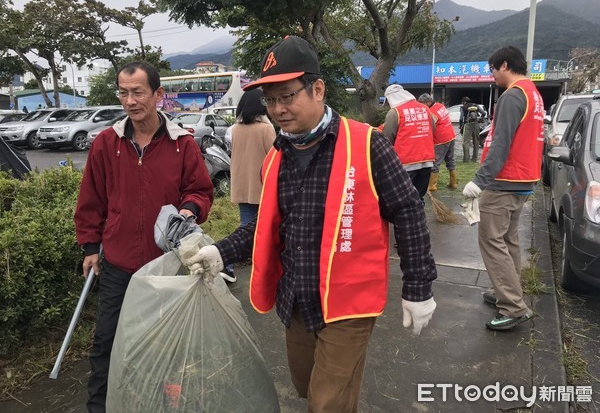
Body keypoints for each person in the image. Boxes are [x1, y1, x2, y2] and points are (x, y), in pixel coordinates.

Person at [180, 35, 437, 412]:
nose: (278, 109)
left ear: (317, 89)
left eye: (287, 96)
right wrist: (221, 250)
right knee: (305, 386)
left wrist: (418, 286)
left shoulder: (367, 144)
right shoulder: (277, 157)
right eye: (270, 100)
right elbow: (265, 226)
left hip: (349, 301)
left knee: (326, 403)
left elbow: (408, 211)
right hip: (297, 299)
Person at [74, 61, 214, 413]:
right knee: (106, 342)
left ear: (158, 95)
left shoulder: (181, 143)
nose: (130, 101)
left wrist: (188, 211)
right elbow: (92, 197)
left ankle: (164, 404)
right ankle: (100, 406)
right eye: (123, 92)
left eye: (138, 92)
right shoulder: (108, 143)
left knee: (166, 343)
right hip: (119, 263)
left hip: (165, 267)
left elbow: (200, 190)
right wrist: (91, 246)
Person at [462, 46, 544, 331]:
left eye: (492, 69)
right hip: (523, 179)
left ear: (504, 65)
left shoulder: (512, 96)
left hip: (504, 182)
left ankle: (512, 306)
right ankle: (506, 292)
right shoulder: (532, 92)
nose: (492, 75)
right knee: (508, 241)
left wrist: (479, 181)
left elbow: (501, 144)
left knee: (492, 242)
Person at [224, 88, 276, 283]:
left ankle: (227, 263)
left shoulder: (235, 129)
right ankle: (231, 263)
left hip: (241, 185)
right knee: (261, 229)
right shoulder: (265, 128)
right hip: (261, 187)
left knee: (245, 226)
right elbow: (274, 157)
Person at [382, 84, 435, 200]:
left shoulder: (395, 112)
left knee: (404, 198)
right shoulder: (424, 108)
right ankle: (420, 217)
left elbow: (387, 138)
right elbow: (433, 128)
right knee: (419, 196)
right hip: (426, 161)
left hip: (406, 163)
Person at [418, 93, 457, 191]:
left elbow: (431, 126)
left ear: (428, 102)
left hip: (441, 140)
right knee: (450, 160)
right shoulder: (441, 106)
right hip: (451, 136)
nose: (421, 105)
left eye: (422, 103)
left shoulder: (432, 113)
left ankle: (432, 186)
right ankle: (453, 183)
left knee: (435, 162)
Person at [459, 96, 486, 162]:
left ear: (464, 102)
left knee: (466, 142)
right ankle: (474, 159)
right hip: (476, 125)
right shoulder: (475, 105)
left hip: (467, 125)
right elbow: (483, 113)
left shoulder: (463, 107)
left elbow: (461, 118)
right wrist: (480, 119)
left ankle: (466, 159)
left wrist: (461, 125)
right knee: (476, 142)